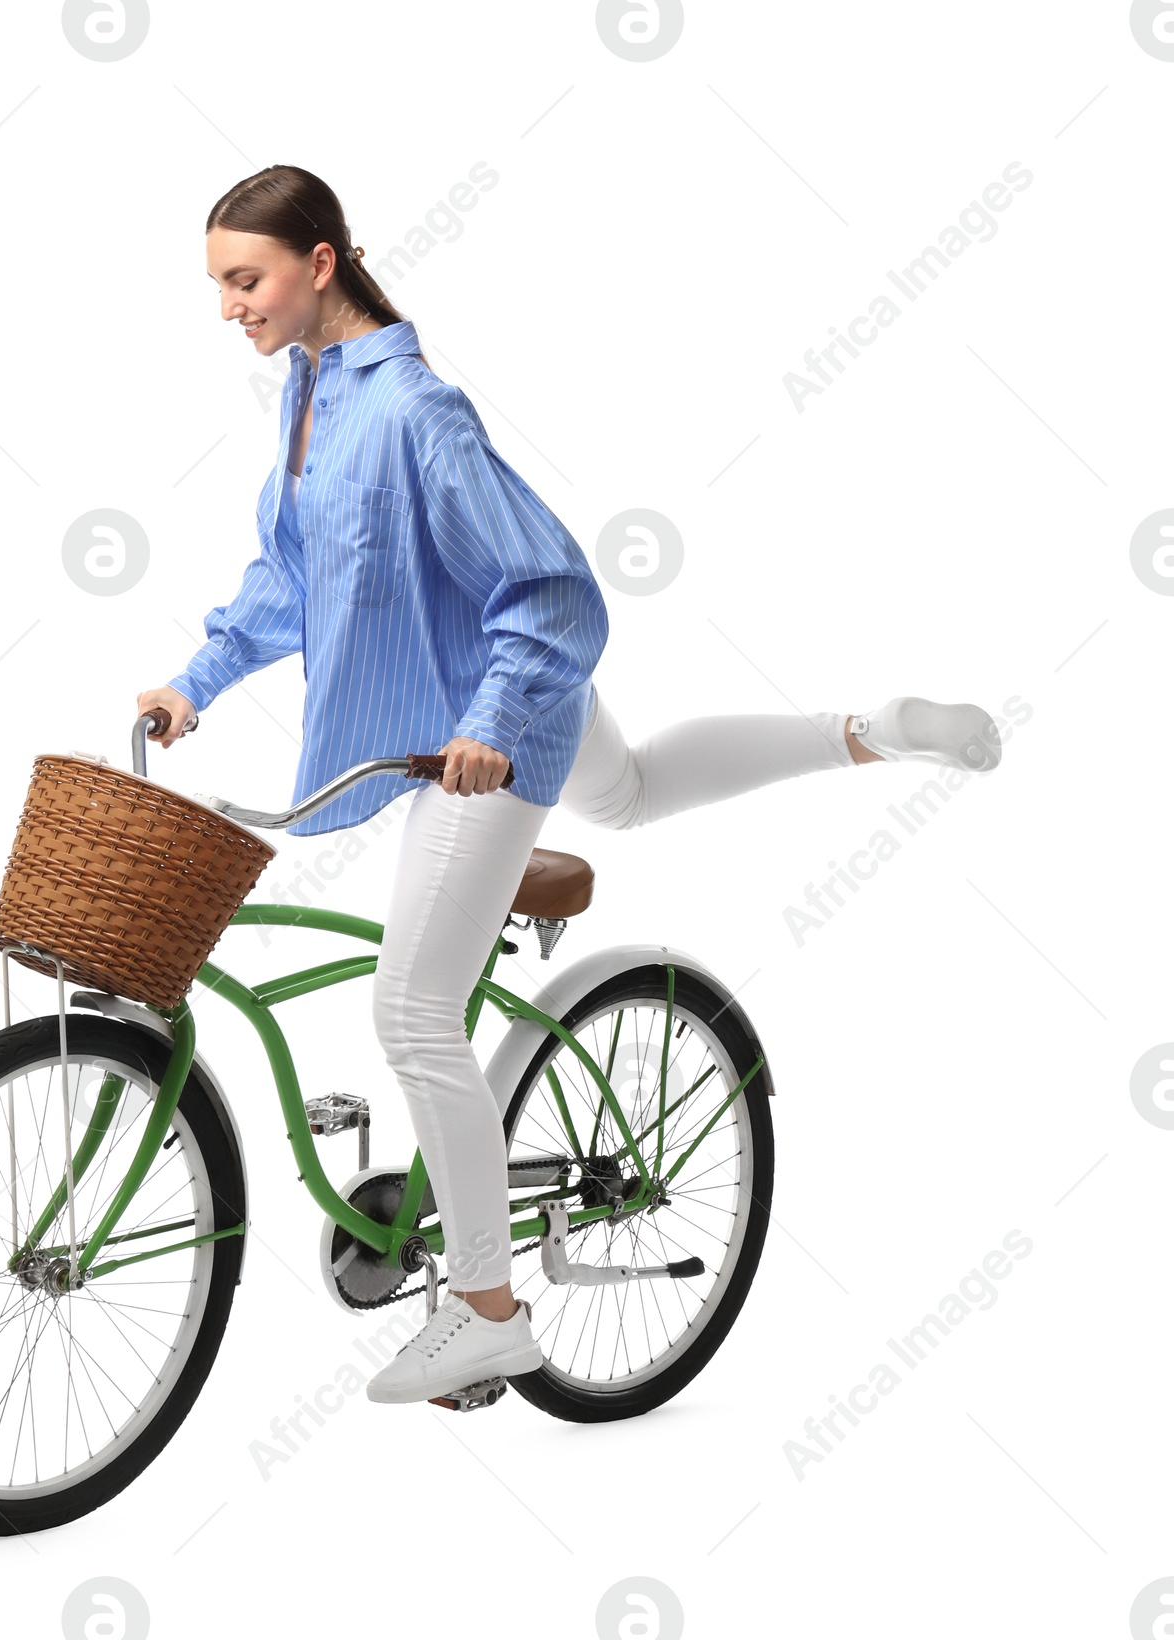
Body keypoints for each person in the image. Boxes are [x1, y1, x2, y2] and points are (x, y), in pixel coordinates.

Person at [138, 165, 1004, 1408]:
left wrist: (492, 722)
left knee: (413, 1012)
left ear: (320, 263)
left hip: (483, 722)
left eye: (246, 278)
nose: (229, 306)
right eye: (219, 282)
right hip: (479, 702)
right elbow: (290, 573)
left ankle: (487, 1313)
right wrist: (198, 676)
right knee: (637, 787)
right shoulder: (312, 397)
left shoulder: (416, 410)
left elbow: (550, 590)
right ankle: (870, 731)